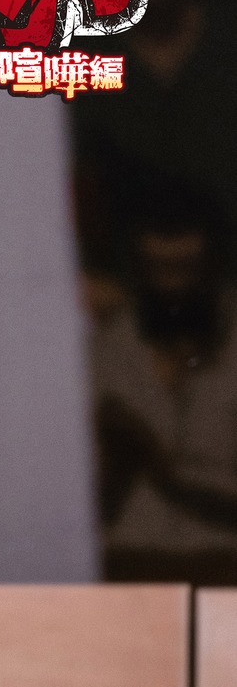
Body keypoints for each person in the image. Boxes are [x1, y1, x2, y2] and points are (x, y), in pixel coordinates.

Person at [94, 182, 237, 583]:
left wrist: (164, 471)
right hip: (129, 569)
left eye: (185, 270)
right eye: (157, 270)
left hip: (226, 566)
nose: (171, 287)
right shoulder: (107, 351)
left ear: (213, 265)